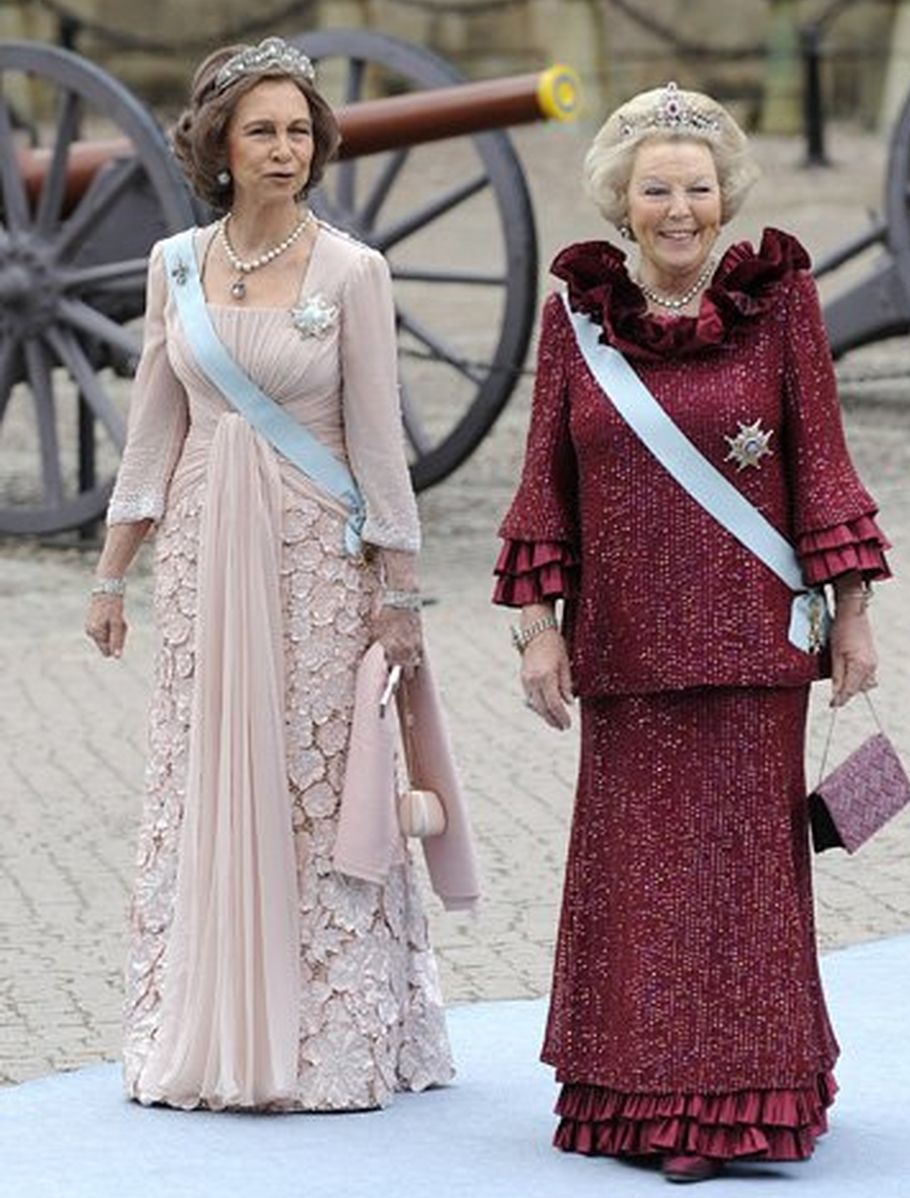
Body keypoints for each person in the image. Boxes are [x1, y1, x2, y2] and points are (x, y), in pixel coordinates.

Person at [493, 84, 890, 1184]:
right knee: (634, 882)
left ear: (726, 197)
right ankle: (630, 1098)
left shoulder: (782, 305)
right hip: (624, 657)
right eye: (655, 189)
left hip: (756, 648)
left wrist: (850, 612)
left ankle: (751, 1105)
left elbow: (823, 463)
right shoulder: (575, 320)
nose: (679, 209)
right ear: (622, 200)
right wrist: (537, 628)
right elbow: (543, 487)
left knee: (746, 883)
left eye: (697, 188)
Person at [84, 37, 476, 1112]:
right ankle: (204, 1022)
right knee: (208, 773)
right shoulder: (174, 263)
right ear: (219, 145)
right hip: (205, 554)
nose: (283, 148)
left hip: (318, 557)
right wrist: (113, 575)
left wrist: (400, 593)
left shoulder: (354, 270)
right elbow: (152, 430)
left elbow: (380, 443)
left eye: (299, 130)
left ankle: (334, 1038)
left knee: (316, 788)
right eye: (261, 129)